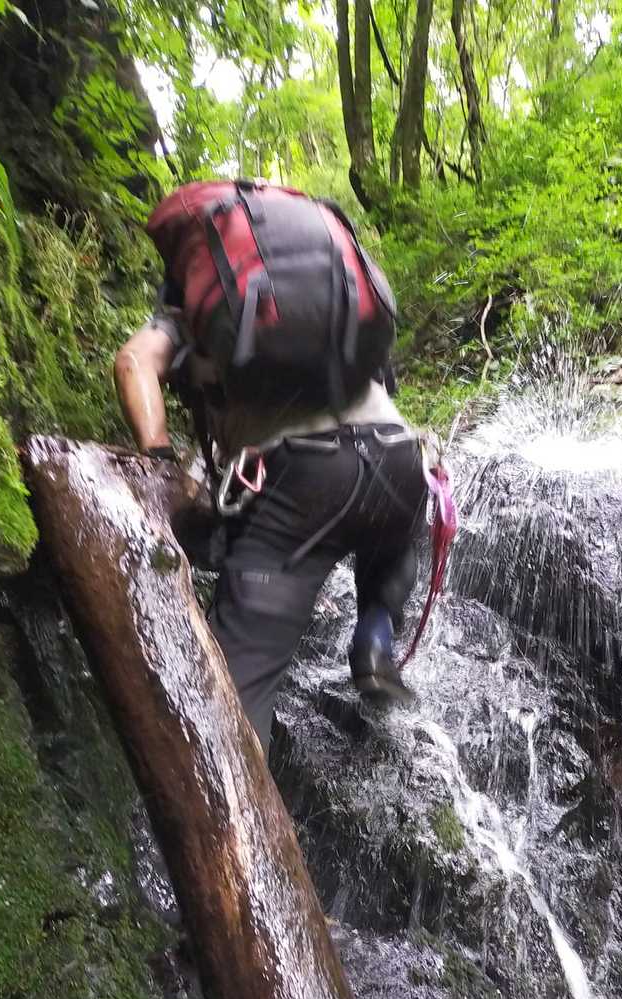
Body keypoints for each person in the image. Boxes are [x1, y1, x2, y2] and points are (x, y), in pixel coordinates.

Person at [113, 180, 430, 753]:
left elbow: (132, 363)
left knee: (231, 707)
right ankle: (376, 639)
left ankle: (235, 793)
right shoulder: (335, 304)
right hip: (400, 465)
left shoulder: (193, 313)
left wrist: (157, 457)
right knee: (392, 538)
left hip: (303, 486)